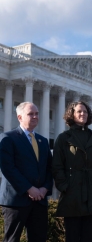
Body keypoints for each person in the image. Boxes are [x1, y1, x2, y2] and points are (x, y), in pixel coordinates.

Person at [52, 101, 92, 242]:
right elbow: (57, 166)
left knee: (88, 235)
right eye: (79, 111)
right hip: (72, 190)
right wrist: (64, 186)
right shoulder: (63, 138)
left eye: (85, 111)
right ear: (71, 114)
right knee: (72, 235)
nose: (83, 114)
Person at [0, 102, 53, 242]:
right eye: (30, 114)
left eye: (36, 113)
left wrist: (44, 188)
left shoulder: (43, 141)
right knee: (12, 239)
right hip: (16, 199)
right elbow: (8, 168)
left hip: (40, 200)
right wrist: (29, 189)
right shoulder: (7, 138)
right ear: (19, 117)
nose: (35, 116)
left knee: (39, 238)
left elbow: (49, 168)